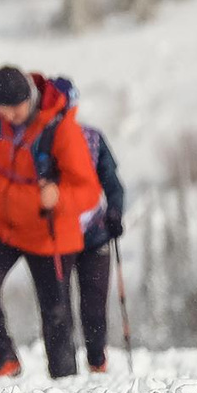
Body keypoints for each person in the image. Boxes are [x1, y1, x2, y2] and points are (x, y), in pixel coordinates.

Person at [0, 65, 101, 379]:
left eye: (18, 107)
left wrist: (58, 197)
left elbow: (89, 191)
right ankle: (6, 358)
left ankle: (65, 385)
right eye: (6, 109)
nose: (12, 115)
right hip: (1, 224)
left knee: (56, 315)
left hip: (49, 233)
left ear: (31, 97)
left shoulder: (60, 128)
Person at [71, 115, 127, 374]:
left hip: (95, 234)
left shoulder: (92, 138)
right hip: (59, 237)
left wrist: (115, 212)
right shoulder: (42, 139)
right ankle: (64, 368)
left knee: (93, 305)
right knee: (58, 307)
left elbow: (112, 183)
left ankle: (97, 362)